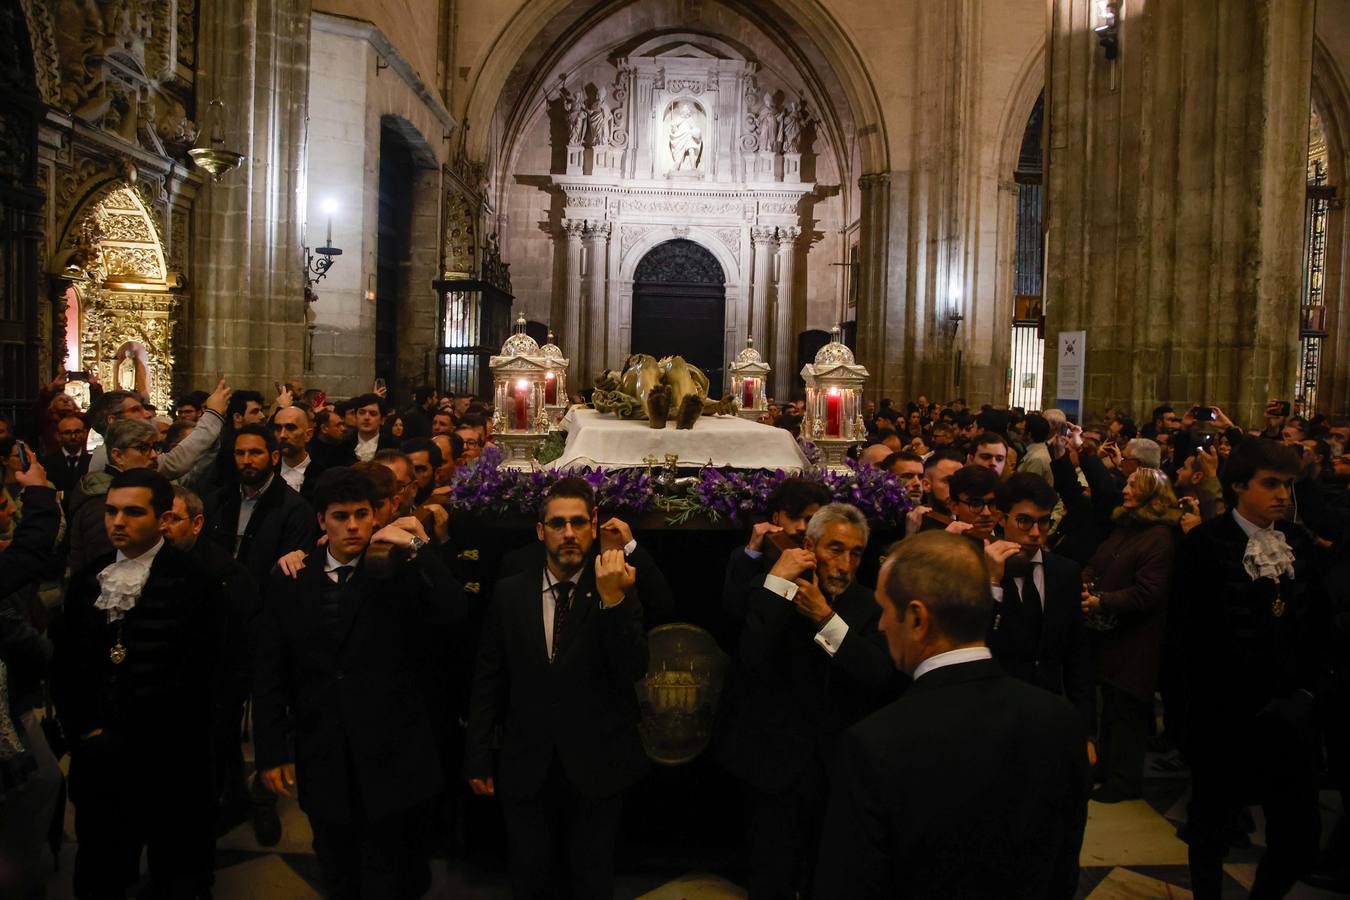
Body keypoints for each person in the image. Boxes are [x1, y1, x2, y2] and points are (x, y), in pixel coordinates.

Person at [815, 530, 1090, 899]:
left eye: (884, 610)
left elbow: (850, 885)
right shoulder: (1061, 719)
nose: (880, 625)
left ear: (916, 618)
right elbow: (1063, 867)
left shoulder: (874, 744)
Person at [254, 466, 465, 898]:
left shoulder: (399, 571)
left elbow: (454, 612)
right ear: (321, 521)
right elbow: (271, 670)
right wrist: (271, 751)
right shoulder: (293, 577)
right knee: (338, 866)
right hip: (324, 751)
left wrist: (420, 548)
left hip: (395, 751)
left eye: (361, 514)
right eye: (340, 516)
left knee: (400, 869)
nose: (352, 526)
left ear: (376, 517)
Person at [465, 477, 648, 899]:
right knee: (530, 876)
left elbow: (633, 668)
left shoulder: (617, 584)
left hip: (597, 766)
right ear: (540, 530)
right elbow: (488, 677)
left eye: (578, 523)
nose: (568, 533)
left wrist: (613, 602)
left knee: (592, 878)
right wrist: (477, 754)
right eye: (558, 523)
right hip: (527, 765)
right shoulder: (511, 593)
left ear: (594, 525)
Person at [54, 468, 228, 898]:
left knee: (176, 871)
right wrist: (83, 731)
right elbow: (67, 665)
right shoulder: (88, 579)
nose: (117, 522)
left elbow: (211, 673)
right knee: (102, 868)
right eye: (111, 511)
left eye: (133, 512)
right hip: (101, 757)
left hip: (171, 758)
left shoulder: (195, 581)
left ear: (162, 518)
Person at [716, 503, 897, 900]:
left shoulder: (871, 605)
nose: (845, 564)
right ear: (811, 546)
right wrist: (778, 584)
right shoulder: (772, 590)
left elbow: (877, 673)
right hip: (772, 770)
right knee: (770, 880)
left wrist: (825, 617)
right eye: (835, 549)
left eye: (855, 553)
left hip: (836, 774)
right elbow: (751, 656)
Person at [1177, 439, 1329, 899]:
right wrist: (1190, 720)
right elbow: (1185, 638)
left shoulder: (1298, 542)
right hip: (1224, 718)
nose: (1283, 494)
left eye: (1287, 485)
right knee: (1210, 831)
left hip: (1289, 716)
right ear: (1239, 485)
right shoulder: (1206, 542)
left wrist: (1307, 695)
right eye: (1271, 484)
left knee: (1298, 836)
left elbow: (1319, 625)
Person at [1081, 467, 1179, 803]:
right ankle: (1107, 768)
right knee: (1110, 708)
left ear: (1152, 495)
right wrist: (1086, 583)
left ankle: (1125, 781)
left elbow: (1148, 592)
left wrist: (1102, 599)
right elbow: (1098, 561)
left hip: (1137, 640)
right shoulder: (1127, 527)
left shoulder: (1160, 537)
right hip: (1112, 636)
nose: (1124, 489)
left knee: (1128, 714)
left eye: (1133, 486)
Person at [986, 474, 1096, 744]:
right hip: (994, 715)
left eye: (1043, 521)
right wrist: (993, 584)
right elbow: (978, 642)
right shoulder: (978, 571)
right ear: (1002, 519)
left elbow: (1076, 657)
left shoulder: (1065, 572)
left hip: (1049, 713)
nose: (1035, 533)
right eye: (1024, 521)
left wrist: (1086, 733)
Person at [722, 477, 833, 622]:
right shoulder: (747, 555)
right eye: (793, 517)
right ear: (776, 517)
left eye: (810, 520)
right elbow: (733, 608)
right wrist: (753, 551)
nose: (802, 527)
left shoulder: (828, 557)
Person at [67, 418, 161, 575]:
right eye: (143, 448)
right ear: (118, 456)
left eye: (155, 447)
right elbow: (105, 568)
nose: (154, 455)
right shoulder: (104, 503)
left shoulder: (126, 491)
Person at [271, 405, 319, 497]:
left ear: (308, 435)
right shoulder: (267, 473)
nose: (282, 435)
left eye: (290, 428)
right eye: (278, 428)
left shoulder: (322, 476)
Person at [40, 413, 91, 495]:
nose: (73, 437)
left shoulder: (92, 461)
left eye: (77, 432)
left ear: (85, 433)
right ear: (58, 436)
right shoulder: (46, 463)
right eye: (67, 433)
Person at [1017, 413, 1053, 484]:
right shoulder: (1037, 451)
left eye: (1022, 429)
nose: (1019, 431)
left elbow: (1028, 486)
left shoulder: (1037, 459)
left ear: (1029, 434)